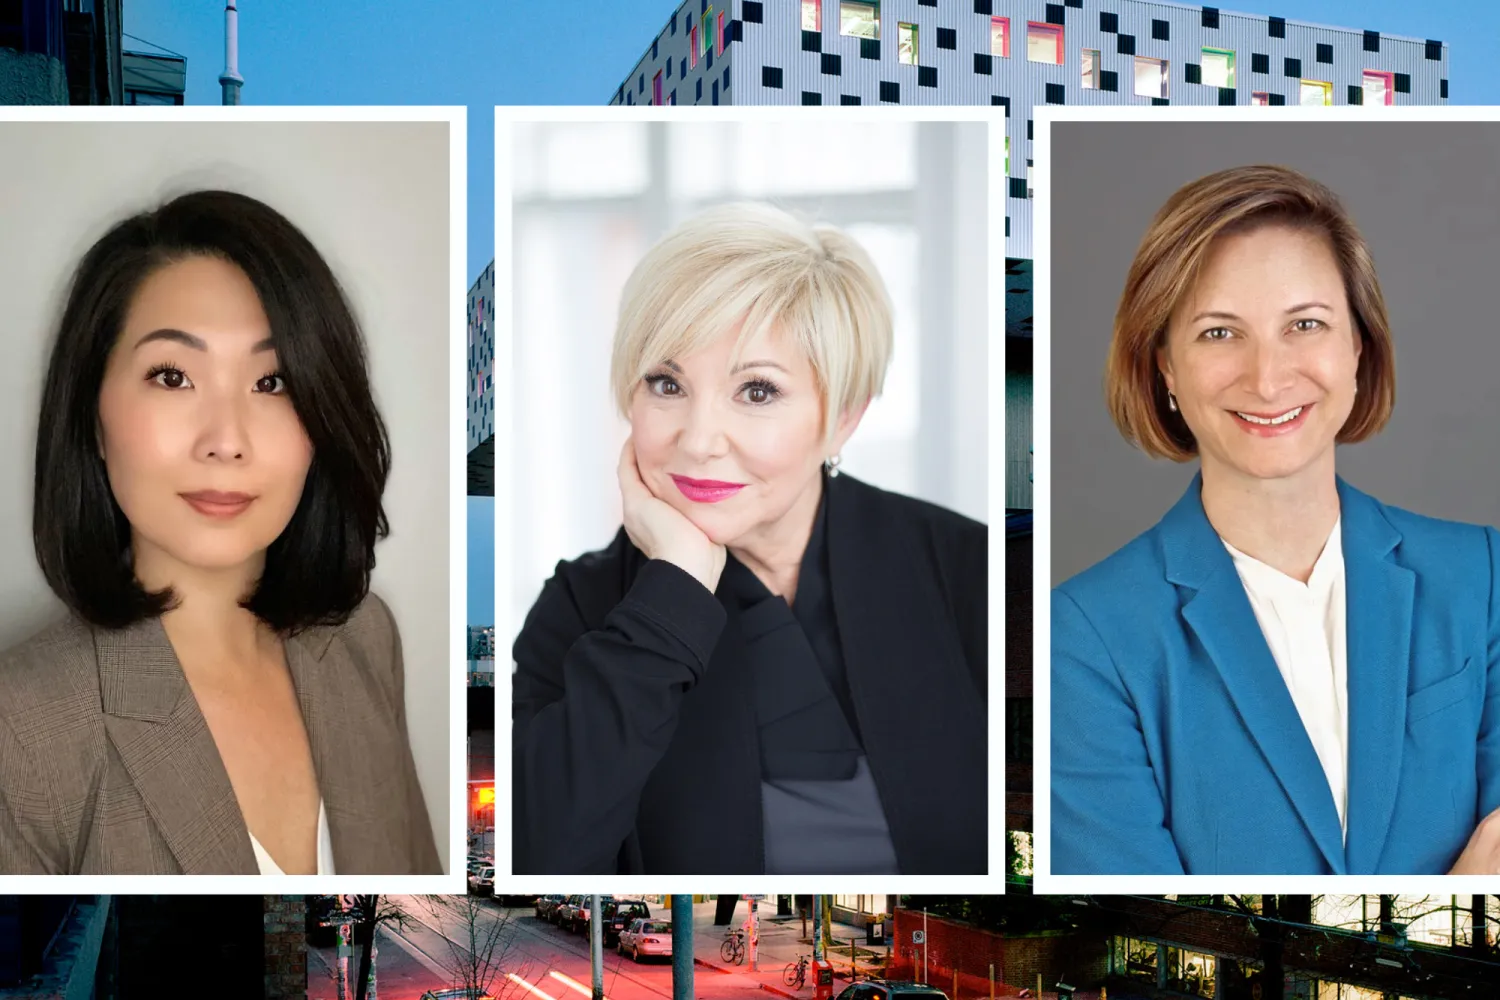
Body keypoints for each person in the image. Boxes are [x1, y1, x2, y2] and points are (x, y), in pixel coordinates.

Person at [1051, 164, 1500, 875]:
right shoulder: (1084, 639)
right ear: (1164, 365)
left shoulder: (1482, 575)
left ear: (1359, 345)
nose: (1267, 377)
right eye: (1220, 333)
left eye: (1306, 324)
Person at [512, 202, 987, 875]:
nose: (700, 440)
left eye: (757, 391)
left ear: (842, 417)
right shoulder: (582, 607)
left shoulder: (968, 571)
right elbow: (540, 860)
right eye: (667, 383)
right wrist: (669, 595)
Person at [0, 190, 440, 875]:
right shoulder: (23, 723)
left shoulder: (364, 639)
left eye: (273, 383)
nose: (227, 441)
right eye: (173, 377)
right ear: (92, 413)